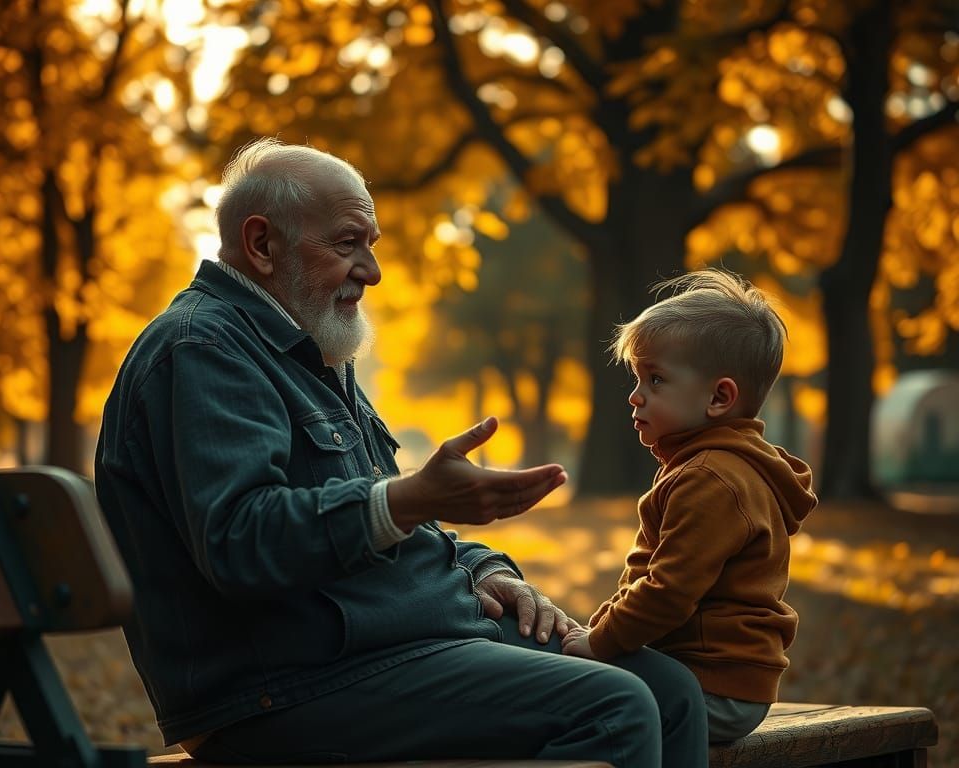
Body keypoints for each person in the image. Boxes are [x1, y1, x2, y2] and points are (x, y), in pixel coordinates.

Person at [94, 138, 708, 766]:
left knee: (672, 693)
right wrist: (408, 499)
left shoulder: (307, 348)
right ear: (262, 244)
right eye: (346, 244)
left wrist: (484, 570)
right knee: (616, 706)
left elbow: (386, 517)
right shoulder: (203, 350)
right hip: (288, 689)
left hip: (400, 645)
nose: (372, 270)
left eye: (371, 245)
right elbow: (241, 542)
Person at [561, 269, 818, 742]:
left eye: (656, 379)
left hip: (710, 685)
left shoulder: (710, 478)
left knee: (568, 703)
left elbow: (668, 592)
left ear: (719, 397)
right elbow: (648, 576)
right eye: (637, 378)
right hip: (716, 679)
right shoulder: (712, 466)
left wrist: (599, 643)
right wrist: (600, 631)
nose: (635, 396)